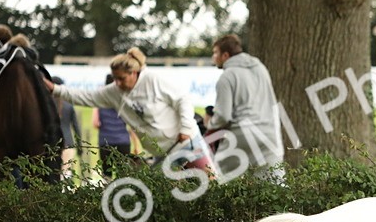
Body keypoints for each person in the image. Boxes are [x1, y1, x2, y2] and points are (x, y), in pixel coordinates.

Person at [46, 48, 205, 165]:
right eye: (115, 78)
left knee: (208, 187)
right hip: (162, 154)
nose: (118, 83)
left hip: (187, 144)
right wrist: (55, 89)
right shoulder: (114, 92)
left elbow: (182, 99)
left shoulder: (152, 80)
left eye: (122, 78)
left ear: (134, 73)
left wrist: (185, 127)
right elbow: (86, 97)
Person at [208, 34, 283, 174]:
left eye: (215, 52)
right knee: (273, 183)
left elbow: (223, 117)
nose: (213, 57)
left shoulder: (226, 76)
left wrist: (209, 127)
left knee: (219, 178)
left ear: (225, 55)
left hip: (242, 134)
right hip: (269, 133)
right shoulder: (260, 68)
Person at [91, 73, 138, 178]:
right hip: (123, 142)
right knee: (122, 174)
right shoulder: (124, 100)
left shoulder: (100, 101)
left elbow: (95, 123)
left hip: (105, 142)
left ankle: (107, 193)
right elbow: (132, 125)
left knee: (106, 175)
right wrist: (136, 145)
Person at [51, 76, 82, 178]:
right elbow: (76, 127)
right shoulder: (68, 105)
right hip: (68, 142)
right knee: (66, 172)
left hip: (52, 144)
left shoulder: (48, 105)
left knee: (53, 173)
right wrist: (79, 145)